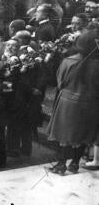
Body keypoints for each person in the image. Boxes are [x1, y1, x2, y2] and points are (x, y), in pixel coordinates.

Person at [47, 29, 99, 175]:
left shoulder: (69, 61)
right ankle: (75, 164)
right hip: (91, 103)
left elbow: (59, 82)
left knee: (64, 133)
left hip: (68, 102)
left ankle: (61, 164)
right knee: (83, 134)